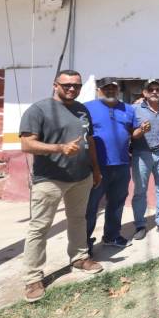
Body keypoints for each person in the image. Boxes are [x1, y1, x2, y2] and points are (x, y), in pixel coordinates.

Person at [19, 70, 104, 302]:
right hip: (50, 179)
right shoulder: (39, 109)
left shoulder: (81, 109)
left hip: (81, 177)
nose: (72, 89)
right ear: (55, 84)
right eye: (67, 85)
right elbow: (26, 144)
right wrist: (59, 148)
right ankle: (33, 277)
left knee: (78, 219)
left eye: (76, 86)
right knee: (40, 227)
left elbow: (90, 141)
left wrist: (95, 170)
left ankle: (79, 257)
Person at [85, 78, 135, 252]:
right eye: (107, 88)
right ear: (99, 90)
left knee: (117, 203)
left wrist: (141, 130)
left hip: (121, 164)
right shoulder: (87, 108)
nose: (111, 91)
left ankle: (112, 236)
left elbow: (132, 132)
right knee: (90, 207)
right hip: (96, 166)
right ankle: (84, 244)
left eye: (114, 88)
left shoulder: (128, 109)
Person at [131, 79, 159, 239]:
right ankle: (140, 225)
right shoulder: (135, 108)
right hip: (141, 153)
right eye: (151, 89)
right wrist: (140, 131)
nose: (155, 91)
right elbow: (129, 132)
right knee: (140, 190)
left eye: (158, 89)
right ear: (145, 93)